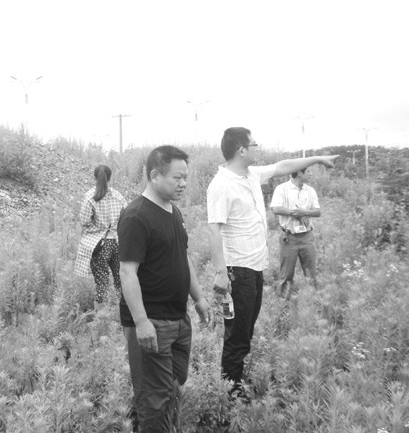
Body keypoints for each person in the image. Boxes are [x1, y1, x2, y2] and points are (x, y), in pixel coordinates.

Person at [206, 127, 337, 400]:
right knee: (237, 334)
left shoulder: (251, 174)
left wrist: (316, 158)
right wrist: (220, 272)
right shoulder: (221, 184)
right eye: (254, 144)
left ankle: (235, 382)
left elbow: (283, 166)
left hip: (254, 268)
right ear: (242, 150)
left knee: (246, 329)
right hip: (237, 270)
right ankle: (231, 394)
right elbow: (214, 229)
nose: (258, 147)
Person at [118, 145, 210, 432]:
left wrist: (198, 297)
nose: (183, 184)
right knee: (154, 398)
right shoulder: (136, 216)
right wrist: (141, 322)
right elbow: (127, 272)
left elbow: (182, 257)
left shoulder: (173, 211)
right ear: (155, 175)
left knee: (172, 386)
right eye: (177, 178)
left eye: (186, 178)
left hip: (178, 318)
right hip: (152, 322)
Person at [75, 164, 127, 312]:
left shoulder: (90, 196)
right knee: (121, 281)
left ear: (94, 177)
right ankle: (122, 314)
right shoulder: (118, 196)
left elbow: (84, 220)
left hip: (98, 244)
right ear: (110, 177)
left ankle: (100, 319)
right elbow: (127, 217)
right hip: (117, 242)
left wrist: (97, 227)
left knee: (102, 283)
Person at [270, 168, 321, 299]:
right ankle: (284, 303)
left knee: (311, 273)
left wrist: (305, 212)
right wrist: (296, 213)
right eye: (308, 172)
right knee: (286, 275)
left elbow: (317, 211)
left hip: (306, 237)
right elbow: (276, 208)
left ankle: (312, 302)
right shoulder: (282, 189)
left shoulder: (310, 191)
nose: (311, 174)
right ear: (299, 173)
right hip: (289, 237)